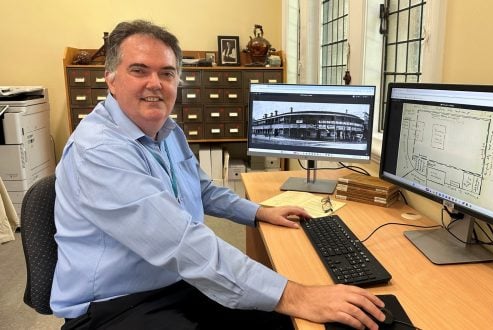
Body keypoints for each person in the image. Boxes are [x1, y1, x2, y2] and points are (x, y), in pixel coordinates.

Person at [52, 20, 387, 330]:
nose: (155, 83)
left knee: (285, 321)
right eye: (139, 70)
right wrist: (296, 295)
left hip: (174, 282)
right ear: (110, 78)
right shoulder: (99, 151)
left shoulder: (167, 132)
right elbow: (181, 243)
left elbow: (203, 191)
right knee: (290, 307)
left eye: (167, 73)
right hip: (114, 307)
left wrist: (259, 211)